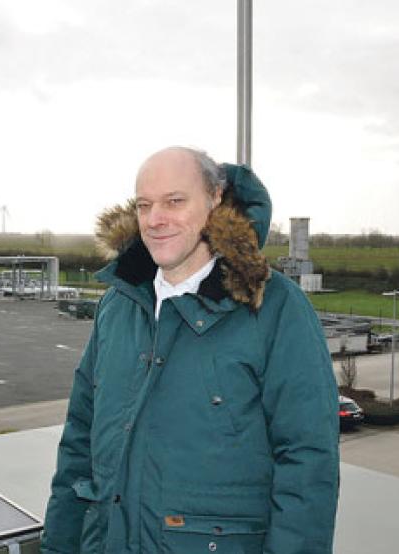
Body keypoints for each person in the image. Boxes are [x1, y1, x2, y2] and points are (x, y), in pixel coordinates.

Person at [41, 147, 339, 553]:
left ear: (215, 200)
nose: (155, 219)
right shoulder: (119, 304)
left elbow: (307, 464)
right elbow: (79, 440)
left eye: (174, 201)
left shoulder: (274, 308)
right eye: (144, 205)